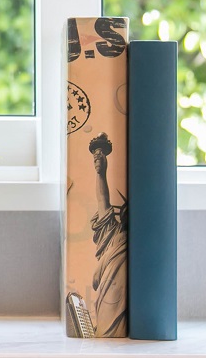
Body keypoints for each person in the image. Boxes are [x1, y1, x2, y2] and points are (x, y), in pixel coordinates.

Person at [89, 133, 127, 337]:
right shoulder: (114, 233)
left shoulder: (140, 242)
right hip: (109, 297)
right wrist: (100, 173)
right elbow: (103, 199)